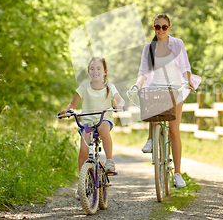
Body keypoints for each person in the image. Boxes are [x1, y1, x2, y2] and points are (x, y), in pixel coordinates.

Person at [130, 13, 201, 188]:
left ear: (169, 28)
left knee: (174, 130)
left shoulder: (177, 44)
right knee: (151, 109)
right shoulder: (149, 47)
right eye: (157, 27)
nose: (160, 30)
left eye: (164, 27)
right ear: (153, 28)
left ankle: (177, 173)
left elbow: (185, 66)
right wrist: (136, 86)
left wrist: (187, 80)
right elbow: (143, 72)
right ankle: (150, 139)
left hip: (175, 87)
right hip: (156, 86)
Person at [60, 56, 125, 174]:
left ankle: (109, 160)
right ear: (89, 71)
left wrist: (119, 105)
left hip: (103, 119)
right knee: (84, 150)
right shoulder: (84, 87)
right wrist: (67, 111)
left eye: (99, 69)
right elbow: (72, 104)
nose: (95, 71)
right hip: (87, 122)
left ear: (105, 71)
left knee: (103, 129)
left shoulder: (110, 87)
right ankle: (83, 181)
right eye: (92, 69)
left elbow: (120, 100)